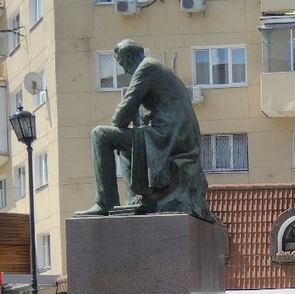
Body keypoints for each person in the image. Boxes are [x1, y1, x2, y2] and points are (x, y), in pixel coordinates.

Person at [79, 39, 214, 222]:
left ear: (129, 57)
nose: (124, 70)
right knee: (126, 145)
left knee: (100, 135)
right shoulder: (158, 68)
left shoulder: (146, 68)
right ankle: (133, 201)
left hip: (168, 137)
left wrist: (124, 119)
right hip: (175, 135)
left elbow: (121, 116)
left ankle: (105, 203)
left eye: (122, 64)